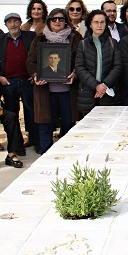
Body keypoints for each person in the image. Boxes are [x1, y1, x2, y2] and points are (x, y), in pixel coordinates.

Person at [27, 8, 80, 154]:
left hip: (68, 92)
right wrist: (36, 75)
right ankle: (46, 155)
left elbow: (81, 61)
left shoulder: (75, 38)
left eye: (61, 19)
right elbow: (31, 62)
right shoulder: (40, 39)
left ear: (66, 21)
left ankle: (68, 155)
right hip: (45, 91)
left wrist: (74, 75)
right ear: (49, 21)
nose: (57, 22)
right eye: (54, 19)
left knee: (68, 124)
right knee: (45, 125)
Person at [0, 13, 37, 155]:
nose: (13, 25)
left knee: (31, 112)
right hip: (9, 82)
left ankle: (34, 140)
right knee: (12, 113)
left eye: (15, 21)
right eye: (9, 22)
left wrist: (35, 74)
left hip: (27, 80)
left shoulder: (30, 37)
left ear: (20, 23)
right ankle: (16, 144)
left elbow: (37, 56)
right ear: (5, 25)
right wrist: (0, 76)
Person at [75, 10, 124, 115]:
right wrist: (96, 85)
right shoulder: (83, 44)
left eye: (102, 22)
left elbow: (118, 66)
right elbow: (80, 68)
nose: (99, 25)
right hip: (88, 94)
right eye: (96, 22)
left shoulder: (113, 43)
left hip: (108, 93)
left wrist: (104, 85)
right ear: (90, 24)